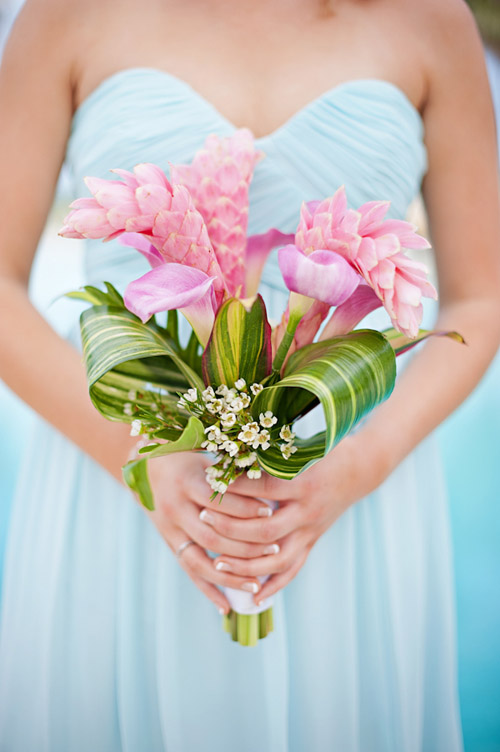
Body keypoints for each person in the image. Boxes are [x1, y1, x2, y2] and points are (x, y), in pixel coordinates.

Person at [1, 0, 499, 749]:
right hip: (120, 477)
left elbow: (482, 297)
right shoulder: (65, 14)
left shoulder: (431, 19)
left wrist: (355, 467)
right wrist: (143, 459)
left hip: (346, 491)